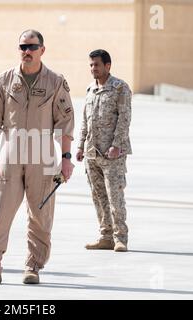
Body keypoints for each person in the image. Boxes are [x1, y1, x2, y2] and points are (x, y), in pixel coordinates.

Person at [0, 30, 74, 285]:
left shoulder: (55, 82)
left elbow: (65, 122)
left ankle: (33, 266)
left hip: (43, 156)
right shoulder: (5, 80)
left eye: (32, 47)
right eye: (23, 47)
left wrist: (65, 158)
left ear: (42, 49)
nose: (27, 51)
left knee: (40, 216)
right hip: (10, 153)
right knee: (1, 213)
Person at [76, 49, 132, 252]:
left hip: (112, 154)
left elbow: (124, 119)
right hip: (92, 153)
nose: (93, 68)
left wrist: (116, 145)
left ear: (108, 66)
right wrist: (81, 145)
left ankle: (120, 238)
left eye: (96, 65)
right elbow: (85, 120)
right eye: (91, 65)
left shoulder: (120, 88)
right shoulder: (90, 89)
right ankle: (105, 236)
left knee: (115, 196)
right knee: (98, 196)